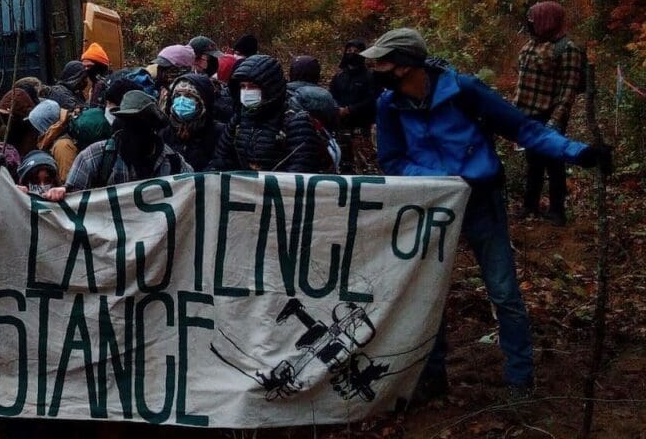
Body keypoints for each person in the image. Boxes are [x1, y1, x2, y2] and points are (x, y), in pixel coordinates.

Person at [364, 27, 609, 402]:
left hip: (482, 201)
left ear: (404, 64)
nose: (375, 67)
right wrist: (441, 182)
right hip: (430, 206)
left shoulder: (464, 91)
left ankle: (519, 381)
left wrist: (579, 152)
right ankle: (431, 377)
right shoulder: (387, 104)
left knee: (504, 291)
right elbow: (392, 160)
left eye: (382, 61)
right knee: (427, 294)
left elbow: (523, 129)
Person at [514, 1, 585, 225]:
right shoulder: (532, 44)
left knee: (554, 163)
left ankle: (557, 211)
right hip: (526, 113)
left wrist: (556, 119)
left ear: (547, 21)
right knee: (533, 161)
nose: (531, 23)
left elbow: (569, 88)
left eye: (535, 19)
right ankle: (530, 205)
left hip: (549, 114)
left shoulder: (566, 48)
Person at [59, 90, 193, 195]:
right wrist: (60, 194)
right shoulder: (94, 157)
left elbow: (194, 194)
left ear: (153, 126)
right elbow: (72, 203)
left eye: (141, 123)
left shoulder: (174, 163)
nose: (135, 129)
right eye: (128, 122)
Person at [217, 55, 332, 173]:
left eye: (253, 86)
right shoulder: (239, 119)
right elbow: (221, 159)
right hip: (244, 190)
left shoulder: (296, 122)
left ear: (270, 87)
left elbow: (300, 171)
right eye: (242, 86)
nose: (246, 92)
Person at [329, 39, 379, 174]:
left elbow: (372, 100)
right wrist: (337, 109)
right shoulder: (339, 76)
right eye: (349, 51)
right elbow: (331, 95)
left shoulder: (370, 76)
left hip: (362, 127)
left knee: (365, 164)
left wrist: (350, 109)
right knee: (343, 163)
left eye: (356, 51)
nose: (352, 54)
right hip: (341, 126)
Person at [160, 73, 224, 171]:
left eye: (189, 96)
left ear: (203, 101)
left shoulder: (219, 133)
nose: (181, 100)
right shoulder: (165, 133)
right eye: (177, 95)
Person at [28, 99, 79, 181]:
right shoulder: (56, 141)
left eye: (37, 127)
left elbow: (69, 181)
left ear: (45, 126)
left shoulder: (62, 147)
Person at [0, 87, 39, 153]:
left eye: (7, 116)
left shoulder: (32, 131)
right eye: (3, 116)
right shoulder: (5, 129)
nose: (5, 119)